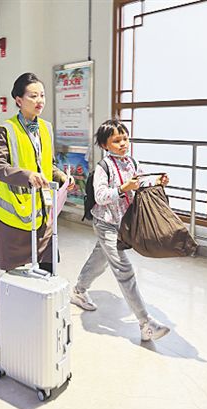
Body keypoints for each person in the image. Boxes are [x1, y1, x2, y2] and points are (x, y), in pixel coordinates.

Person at [71, 118, 171, 341]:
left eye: (125, 138)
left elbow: (141, 183)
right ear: (105, 145)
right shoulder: (103, 167)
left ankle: (78, 291)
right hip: (106, 223)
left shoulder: (131, 162)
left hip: (123, 223)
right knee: (124, 270)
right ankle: (146, 323)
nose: (123, 143)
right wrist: (123, 188)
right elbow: (100, 196)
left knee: (100, 260)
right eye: (117, 140)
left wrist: (157, 182)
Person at [0, 72, 73, 273]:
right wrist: (27, 176)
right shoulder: (6, 129)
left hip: (44, 211)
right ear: (19, 100)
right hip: (15, 214)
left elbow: (47, 166)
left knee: (49, 268)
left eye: (42, 95)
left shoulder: (46, 128)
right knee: (16, 274)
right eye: (33, 96)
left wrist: (62, 177)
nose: (40, 101)